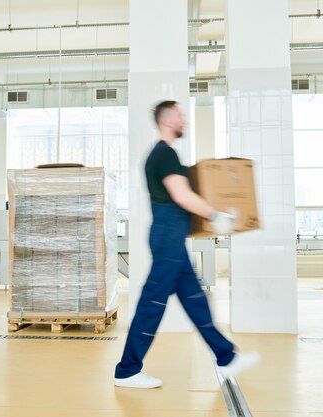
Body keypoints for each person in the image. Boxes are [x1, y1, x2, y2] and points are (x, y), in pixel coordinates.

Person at [114, 101, 260, 389]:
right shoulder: (164, 154)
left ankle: (226, 356)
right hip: (168, 236)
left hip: (170, 237)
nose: (185, 122)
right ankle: (127, 370)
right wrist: (215, 214)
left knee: (195, 300)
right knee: (152, 303)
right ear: (168, 120)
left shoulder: (161, 154)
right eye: (181, 116)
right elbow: (181, 195)